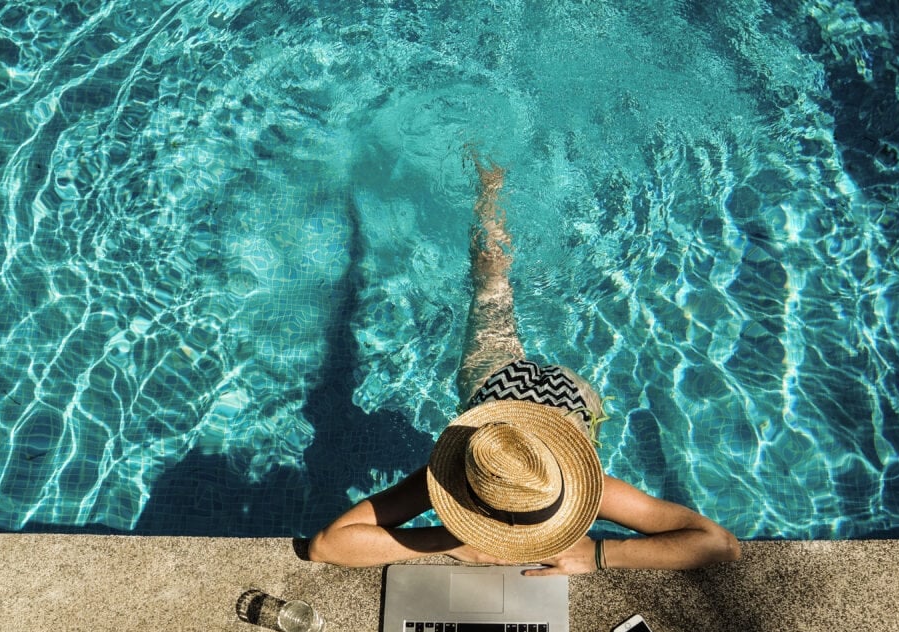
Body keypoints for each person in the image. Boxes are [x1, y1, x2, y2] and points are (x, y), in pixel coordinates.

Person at [308, 155, 740, 574]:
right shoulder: (476, 466)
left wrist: (600, 555)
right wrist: (452, 543)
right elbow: (326, 546)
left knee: (493, 288)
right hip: (558, 398)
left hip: (527, 390)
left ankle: (490, 190)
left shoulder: (559, 486)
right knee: (491, 288)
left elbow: (720, 545)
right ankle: (489, 189)